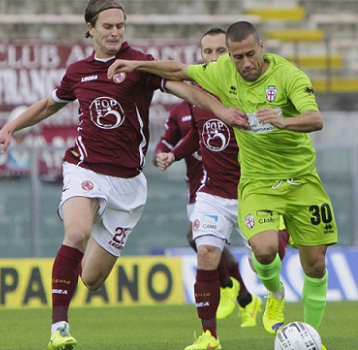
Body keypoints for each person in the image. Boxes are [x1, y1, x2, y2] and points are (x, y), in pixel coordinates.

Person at [0, 2, 246, 350]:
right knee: (76, 232)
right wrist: (8, 128)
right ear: (90, 28)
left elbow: (186, 89)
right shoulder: (79, 71)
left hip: (128, 185)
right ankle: (59, 329)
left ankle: (66, 274)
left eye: (120, 25)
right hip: (85, 167)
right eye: (107, 26)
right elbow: (49, 105)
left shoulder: (139, 64)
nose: (115, 32)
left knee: (91, 279)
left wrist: (220, 109)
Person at [108, 20, 337, 347]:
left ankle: (313, 340)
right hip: (257, 183)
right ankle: (273, 293)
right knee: (263, 248)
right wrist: (137, 64)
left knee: (315, 265)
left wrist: (282, 120)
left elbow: (315, 119)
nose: (245, 64)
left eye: (249, 55)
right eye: (237, 57)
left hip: (303, 181)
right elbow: (179, 71)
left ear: (262, 48)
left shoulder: (289, 76)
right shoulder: (221, 73)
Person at [154, 27, 274, 349]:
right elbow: (198, 131)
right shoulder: (198, 95)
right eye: (207, 53)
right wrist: (173, 154)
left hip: (254, 191)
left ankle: (267, 297)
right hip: (213, 191)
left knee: (263, 259)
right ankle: (209, 338)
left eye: (220, 51)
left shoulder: (253, 88)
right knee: (205, 251)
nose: (214, 58)